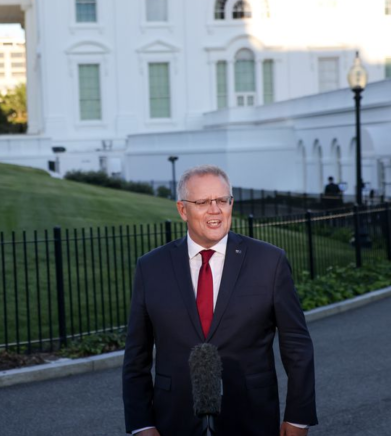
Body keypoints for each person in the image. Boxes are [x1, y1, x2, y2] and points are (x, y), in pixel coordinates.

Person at [123, 165, 317, 436]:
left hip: (251, 417)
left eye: (222, 200)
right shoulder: (151, 267)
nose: (215, 210)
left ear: (231, 204)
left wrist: (299, 417)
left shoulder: (269, 262)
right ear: (182, 210)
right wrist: (141, 423)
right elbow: (136, 356)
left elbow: (296, 345)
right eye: (202, 202)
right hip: (173, 420)